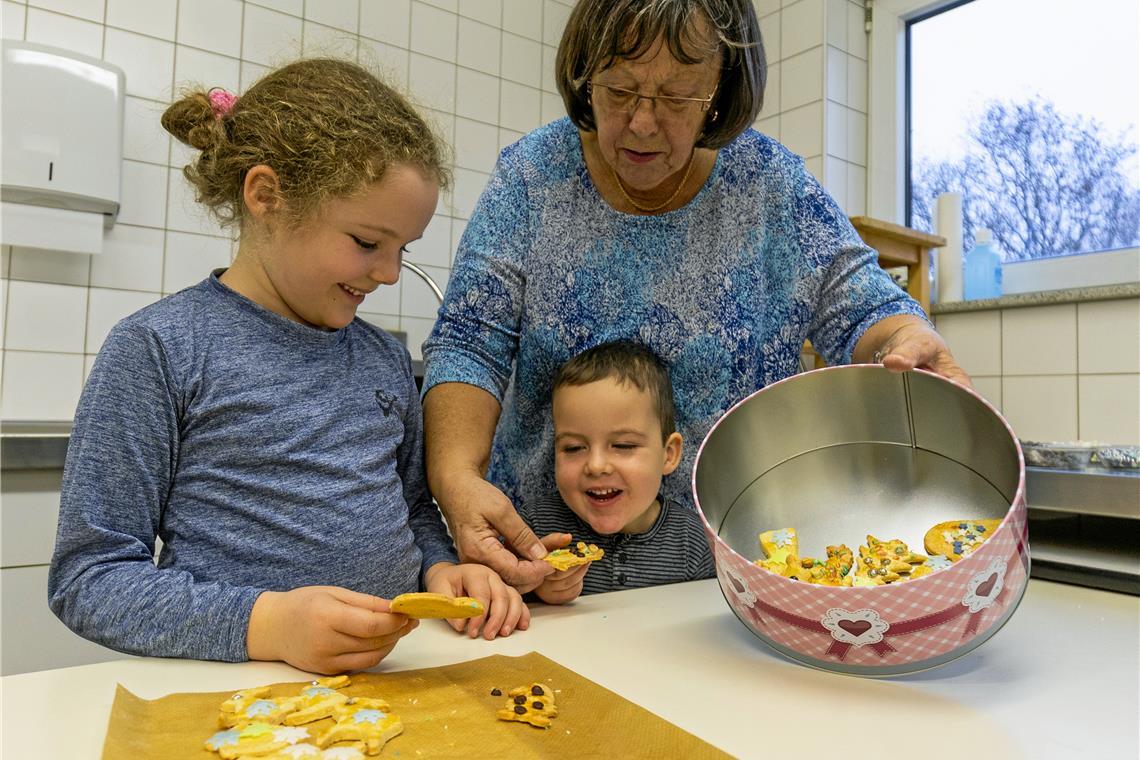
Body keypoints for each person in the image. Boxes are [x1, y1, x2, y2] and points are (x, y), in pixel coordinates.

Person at [421, 0, 971, 591]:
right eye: (618, 89)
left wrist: (908, 337)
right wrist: (455, 475)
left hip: (724, 573)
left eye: (678, 97)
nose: (640, 123)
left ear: (721, 91)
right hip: (543, 570)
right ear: (585, 75)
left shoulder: (769, 187)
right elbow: (469, 340)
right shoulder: (532, 177)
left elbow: (865, 305)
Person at [47, 58, 528, 676]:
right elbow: (89, 579)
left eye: (401, 250)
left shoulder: (382, 359)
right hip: (234, 694)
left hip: (389, 685)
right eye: (366, 242)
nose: (387, 274)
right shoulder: (160, 349)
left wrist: (441, 568)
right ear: (266, 196)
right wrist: (267, 624)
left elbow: (410, 510)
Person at [526, 341, 715, 604]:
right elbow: (489, 599)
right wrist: (530, 587)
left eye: (623, 445)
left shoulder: (694, 541)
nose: (596, 465)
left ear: (668, 454)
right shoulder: (532, 528)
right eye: (573, 448)